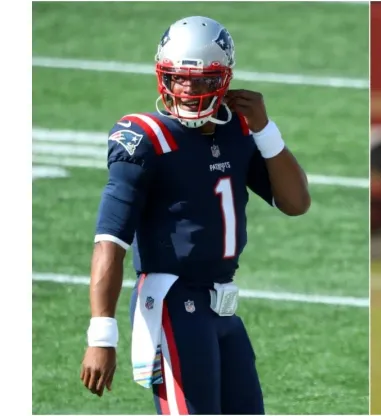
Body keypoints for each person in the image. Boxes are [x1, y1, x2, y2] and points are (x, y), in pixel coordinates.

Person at [79, 15, 311, 415]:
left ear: (224, 79)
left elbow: (295, 202)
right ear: (163, 75)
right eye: (178, 78)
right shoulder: (145, 138)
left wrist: (265, 129)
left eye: (203, 78)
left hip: (221, 304)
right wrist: (102, 334)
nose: (188, 89)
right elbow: (110, 241)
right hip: (171, 300)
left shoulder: (237, 130)